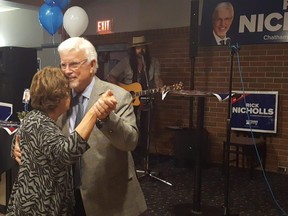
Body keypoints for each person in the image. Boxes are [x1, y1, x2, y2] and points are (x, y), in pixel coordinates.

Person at [14, 37, 147, 216]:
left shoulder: (117, 96)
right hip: (67, 199)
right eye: (63, 65)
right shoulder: (59, 95)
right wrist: (17, 144)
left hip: (109, 200)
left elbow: (130, 142)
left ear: (92, 65)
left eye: (74, 64)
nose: (67, 71)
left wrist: (107, 118)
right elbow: (37, 126)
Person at [7, 67, 117, 215]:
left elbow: (23, 139)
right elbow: (67, 152)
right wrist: (95, 110)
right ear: (59, 96)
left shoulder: (33, 117)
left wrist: (15, 144)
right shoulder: (40, 123)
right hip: (40, 207)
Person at [107, 35, 163, 170]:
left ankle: (144, 159)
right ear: (133, 49)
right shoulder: (126, 62)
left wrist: (161, 86)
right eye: (138, 47)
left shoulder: (153, 62)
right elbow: (110, 76)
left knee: (145, 130)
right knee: (129, 128)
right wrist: (122, 91)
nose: (140, 50)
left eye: (142, 47)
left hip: (146, 101)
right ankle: (130, 158)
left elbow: (157, 80)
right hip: (129, 102)